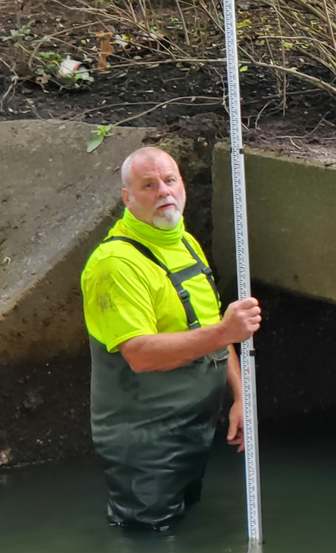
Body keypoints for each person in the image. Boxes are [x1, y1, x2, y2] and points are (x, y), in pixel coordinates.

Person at [81, 145, 261, 530]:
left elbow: (211, 331)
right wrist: (226, 331)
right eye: (148, 185)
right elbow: (141, 355)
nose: (163, 191)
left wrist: (242, 394)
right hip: (145, 440)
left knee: (181, 520)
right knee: (147, 539)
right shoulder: (115, 265)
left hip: (194, 427)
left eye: (170, 180)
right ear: (127, 199)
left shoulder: (183, 241)